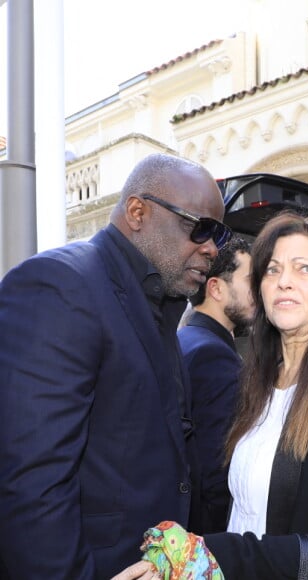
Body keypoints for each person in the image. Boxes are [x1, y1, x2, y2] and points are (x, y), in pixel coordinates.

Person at [113, 210, 308, 579]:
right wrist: (187, 563)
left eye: (305, 269)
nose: (284, 281)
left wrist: (214, 552)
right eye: (272, 269)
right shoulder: (259, 380)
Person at [0, 153, 232, 579]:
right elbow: (31, 485)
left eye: (218, 234)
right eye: (199, 227)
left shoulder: (157, 306)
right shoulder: (61, 286)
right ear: (137, 212)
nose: (212, 248)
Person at [178, 236, 255, 534]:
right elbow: (218, 471)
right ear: (216, 288)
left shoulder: (185, 340)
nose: (259, 292)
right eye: (250, 280)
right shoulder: (213, 356)